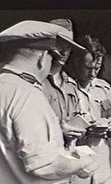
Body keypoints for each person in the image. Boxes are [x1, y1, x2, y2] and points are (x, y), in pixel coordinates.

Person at [0, 20, 98, 184]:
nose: (52, 67)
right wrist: (81, 163)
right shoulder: (26, 93)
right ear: (42, 57)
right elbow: (43, 164)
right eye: (54, 59)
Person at [66, 35, 111, 184]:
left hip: (101, 149)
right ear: (76, 63)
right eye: (88, 68)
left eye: (96, 68)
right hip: (76, 151)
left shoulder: (104, 88)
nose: (92, 73)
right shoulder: (66, 87)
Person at [42, 19, 85, 148]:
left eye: (68, 47)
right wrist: (58, 131)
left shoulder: (71, 86)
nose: (64, 52)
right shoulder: (37, 83)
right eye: (59, 45)